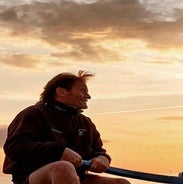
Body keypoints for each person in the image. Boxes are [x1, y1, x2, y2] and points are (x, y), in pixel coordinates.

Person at [2, 70, 130, 184]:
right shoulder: (33, 114)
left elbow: (98, 151)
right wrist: (58, 151)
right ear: (61, 91)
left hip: (78, 177)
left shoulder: (85, 123)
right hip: (30, 178)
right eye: (83, 91)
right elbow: (14, 147)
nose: (88, 96)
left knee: (121, 183)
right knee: (63, 168)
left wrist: (102, 158)